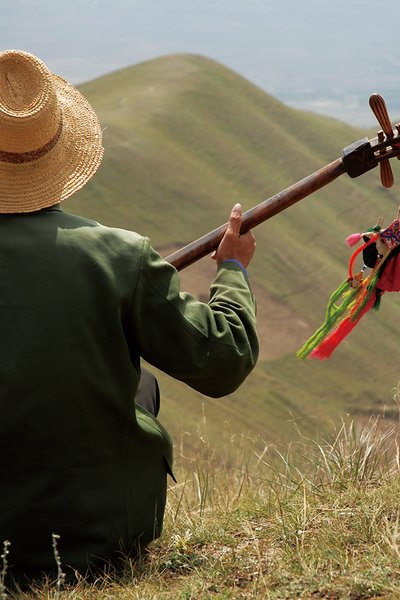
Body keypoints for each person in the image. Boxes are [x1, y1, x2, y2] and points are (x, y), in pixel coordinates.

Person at [0, 49, 258, 587]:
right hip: (97, 539)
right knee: (141, 385)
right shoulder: (120, 256)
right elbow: (223, 359)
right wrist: (232, 270)